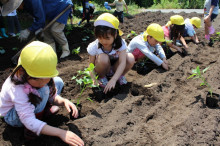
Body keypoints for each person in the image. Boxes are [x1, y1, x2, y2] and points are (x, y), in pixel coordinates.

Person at [0, 41, 84, 146]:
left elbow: (53, 97)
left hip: (27, 104)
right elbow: (27, 119)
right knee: (44, 90)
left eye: (46, 78)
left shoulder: (38, 77)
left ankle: (43, 109)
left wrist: (64, 101)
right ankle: (32, 129)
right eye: (38, 79)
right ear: (24, 72)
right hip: (13, 116)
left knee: (57, 81)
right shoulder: (16, 88)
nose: (43, 82)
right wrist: (61, 133)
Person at [1, 0, 73, 59]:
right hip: (49, 12)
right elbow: (38, 17)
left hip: (61, 7)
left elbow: (40, 20)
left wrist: (29, 30)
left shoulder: (33, 1)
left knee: (55, 30)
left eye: (15, 7)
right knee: (46, 33)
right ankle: (52, 55)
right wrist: (38, 28)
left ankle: (66, 50)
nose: (16, 10)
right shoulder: (26, 5)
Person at [87, 13, 133, 94]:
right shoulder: (94, 46)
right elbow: (90, 65)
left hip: (115, 68)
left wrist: (114, 79)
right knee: (103, 58)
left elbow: (122, 62)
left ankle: (120, 76)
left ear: (115, 34)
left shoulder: (120, 43)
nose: (103, 41)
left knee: (130, 57)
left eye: (107, 38)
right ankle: (102, 77)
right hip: (102, 68)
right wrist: (94, 79)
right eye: (100, 38)